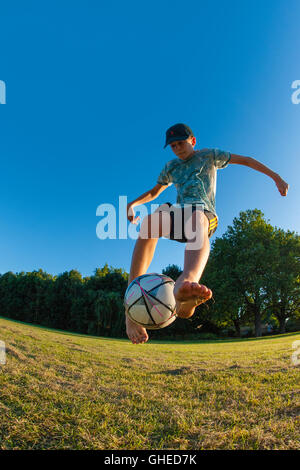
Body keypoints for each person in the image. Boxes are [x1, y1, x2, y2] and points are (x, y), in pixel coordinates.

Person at [125, 123, 289, 344]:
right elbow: (155, 192)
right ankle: (130, 303)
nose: (178, 149)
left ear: (192, 141)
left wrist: (275, 176)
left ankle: (186, 288)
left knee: (197, 219)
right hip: (180, 215)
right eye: (173, 146)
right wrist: (133, 204)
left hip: (203, 215)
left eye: (181, 143)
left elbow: (247, 161)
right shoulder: (171, 167)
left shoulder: (210, 155)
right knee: (150, 222)